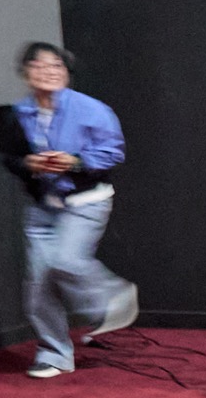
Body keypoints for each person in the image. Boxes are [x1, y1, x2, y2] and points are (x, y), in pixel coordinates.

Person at [10, 42, 138, 378]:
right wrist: (30, 164)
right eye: (39, 66)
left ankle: (111, 298)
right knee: (38, 287)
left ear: (66, 73)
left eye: (56, 66)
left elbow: (113, 153)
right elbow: (9, 157)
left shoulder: (92, 110)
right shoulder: (19, 113)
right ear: (25, 73)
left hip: (85, 201)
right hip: (42, 207)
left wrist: (75, 162)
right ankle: (55, 355)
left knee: (66, 260)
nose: (49, 72)